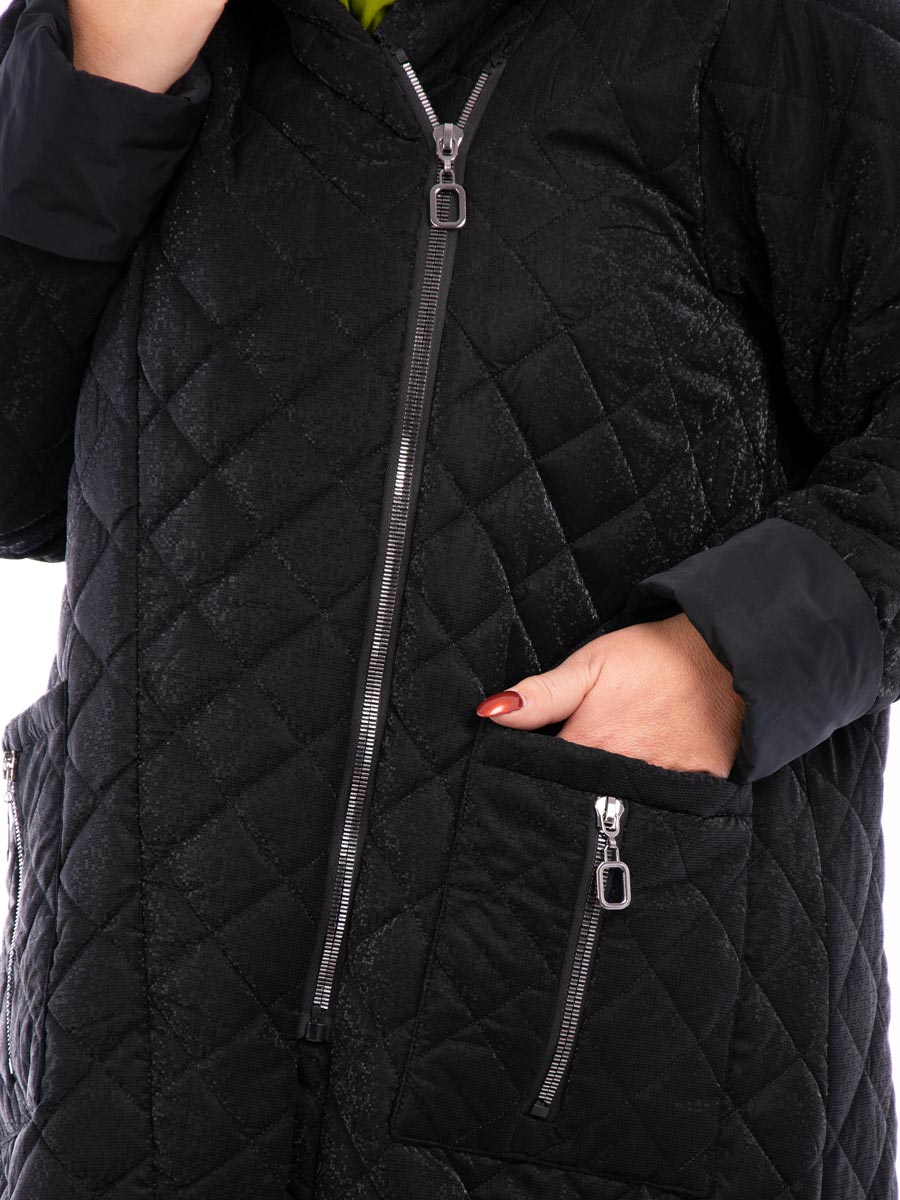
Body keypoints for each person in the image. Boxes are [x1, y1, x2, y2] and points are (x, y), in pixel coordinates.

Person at [0, 0, 897, 1195]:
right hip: (136, 1067)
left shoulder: (787, 33)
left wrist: (730, 661)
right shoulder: (116, 28)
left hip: (622, 1046)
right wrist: (109, 77)